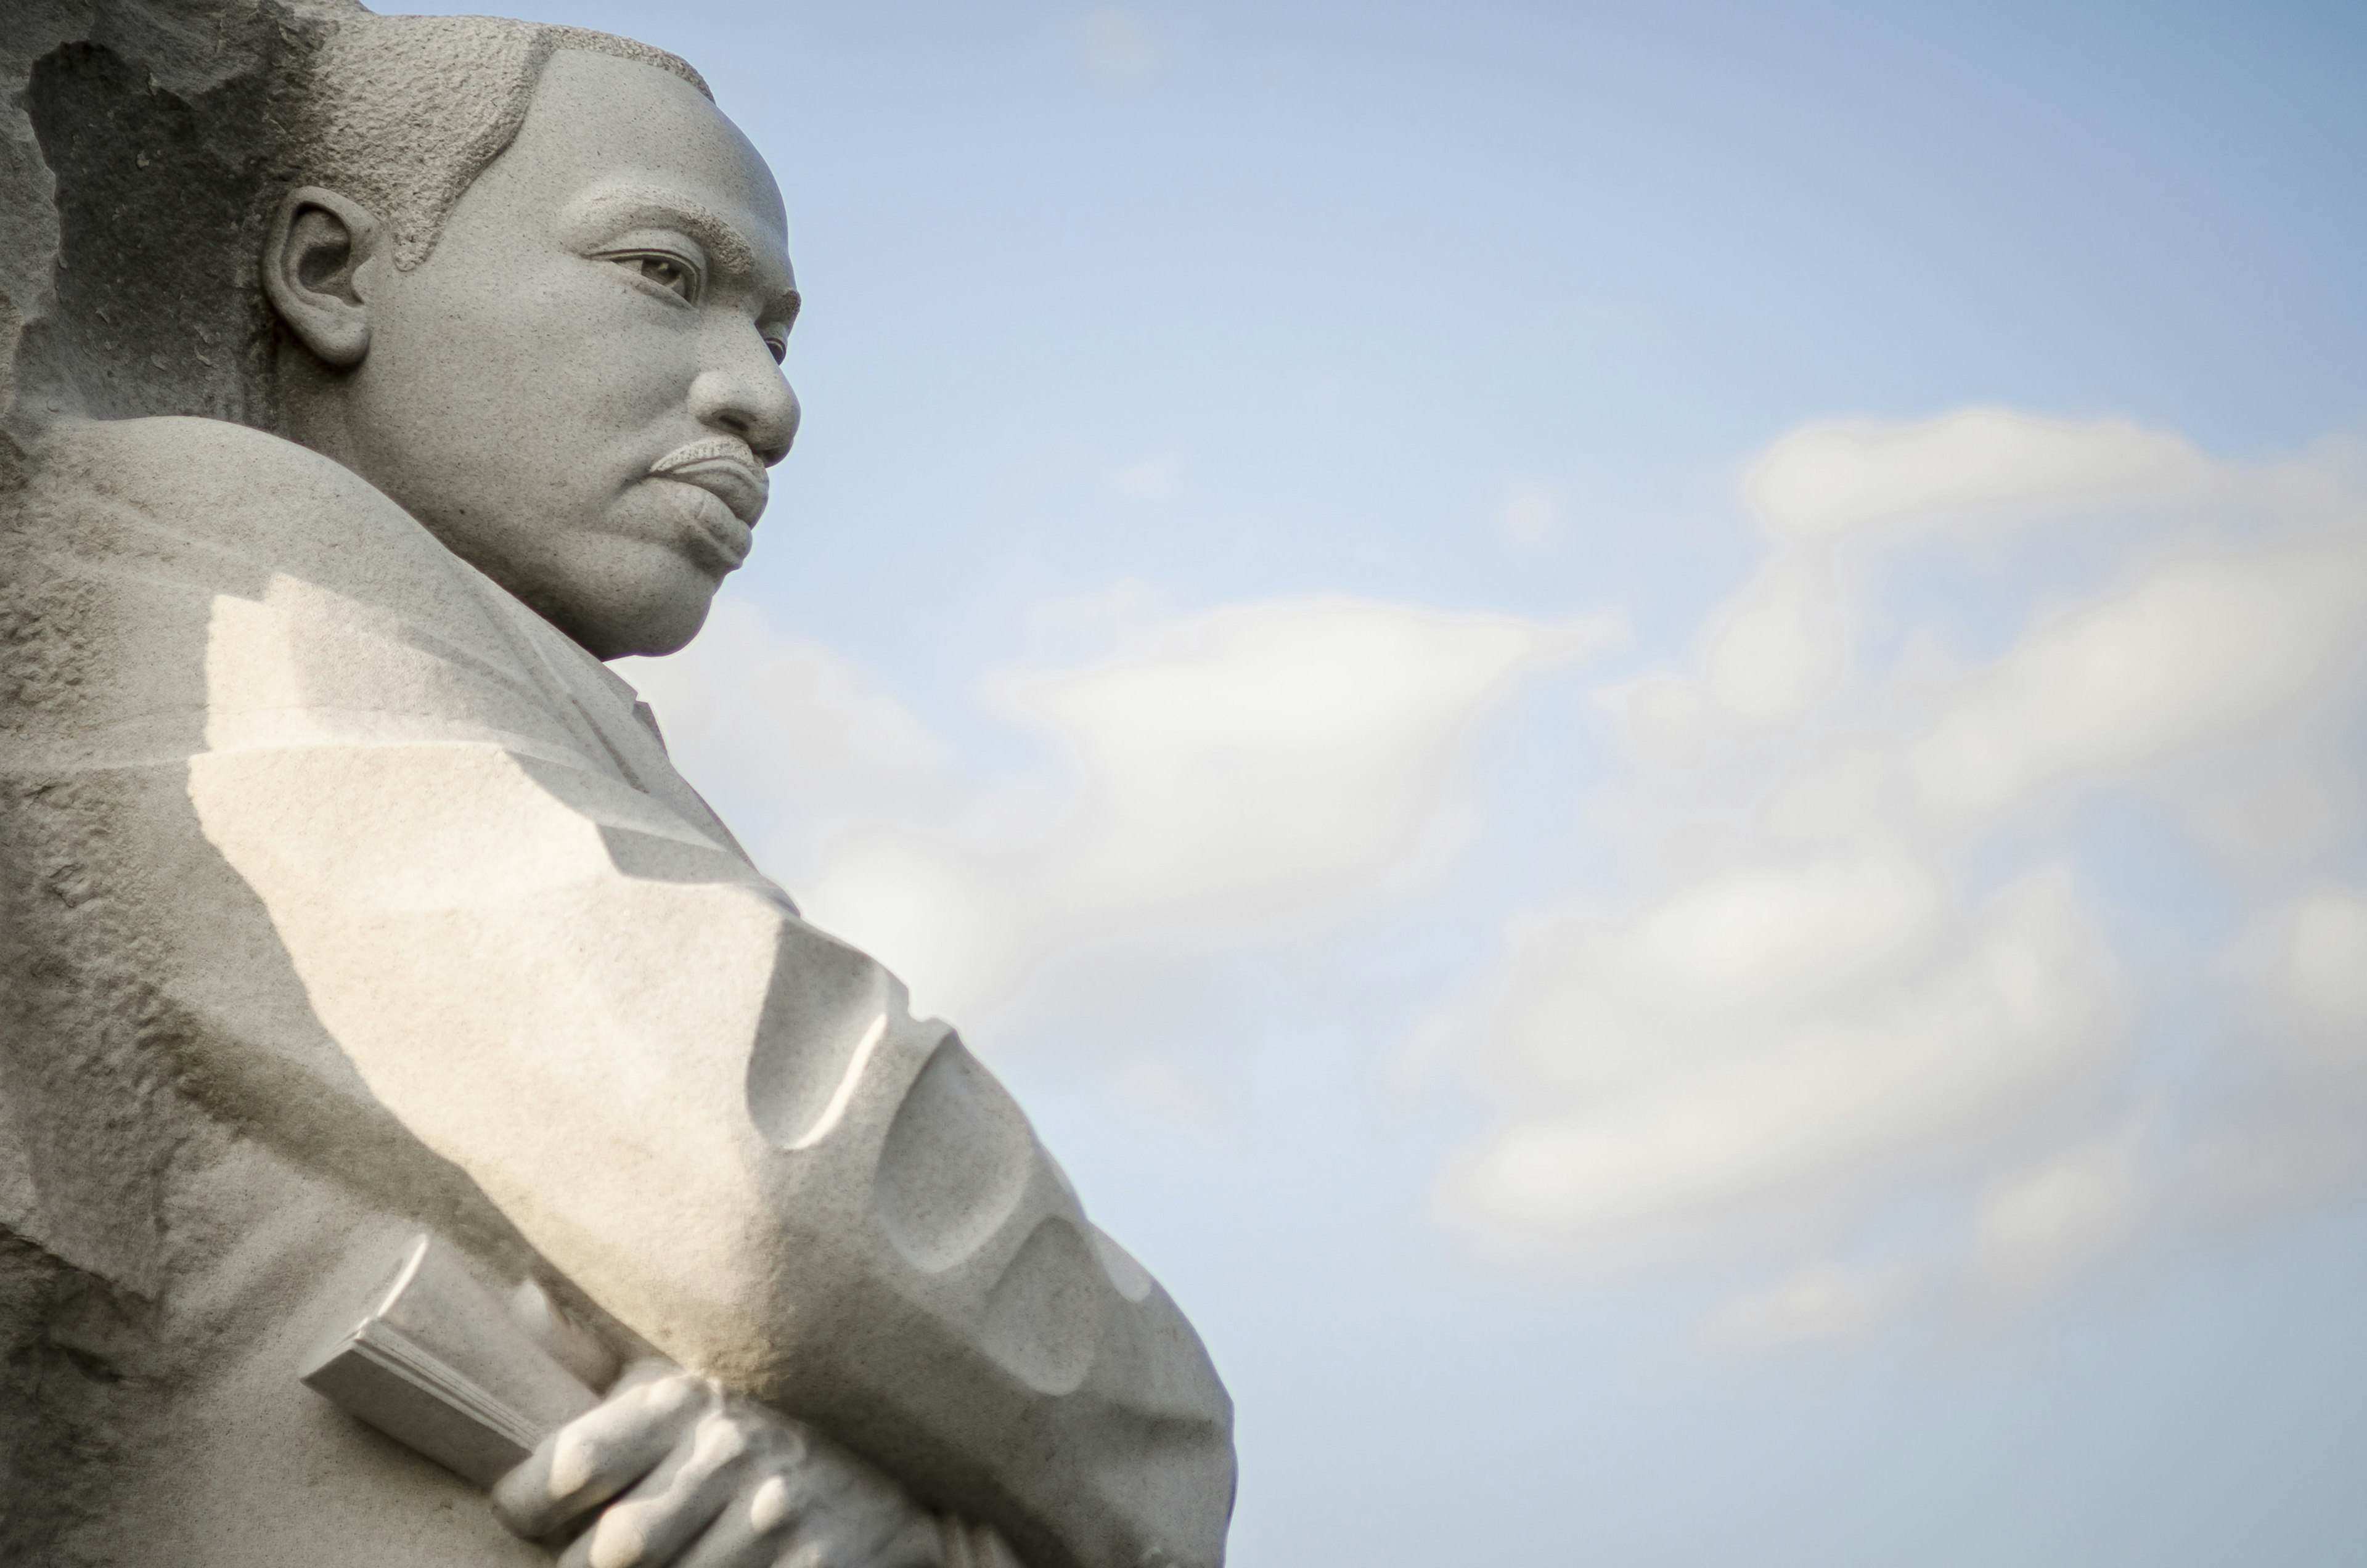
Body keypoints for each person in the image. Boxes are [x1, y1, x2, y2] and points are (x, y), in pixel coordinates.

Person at [0, 12, 1232, 1568]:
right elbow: (770, 1185)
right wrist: (1169, 1433)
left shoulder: (505, 669)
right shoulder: (204, 529)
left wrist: (904, 1513)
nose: (763, 403)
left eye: (776, 337)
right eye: (665, 274)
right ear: (328, 274)